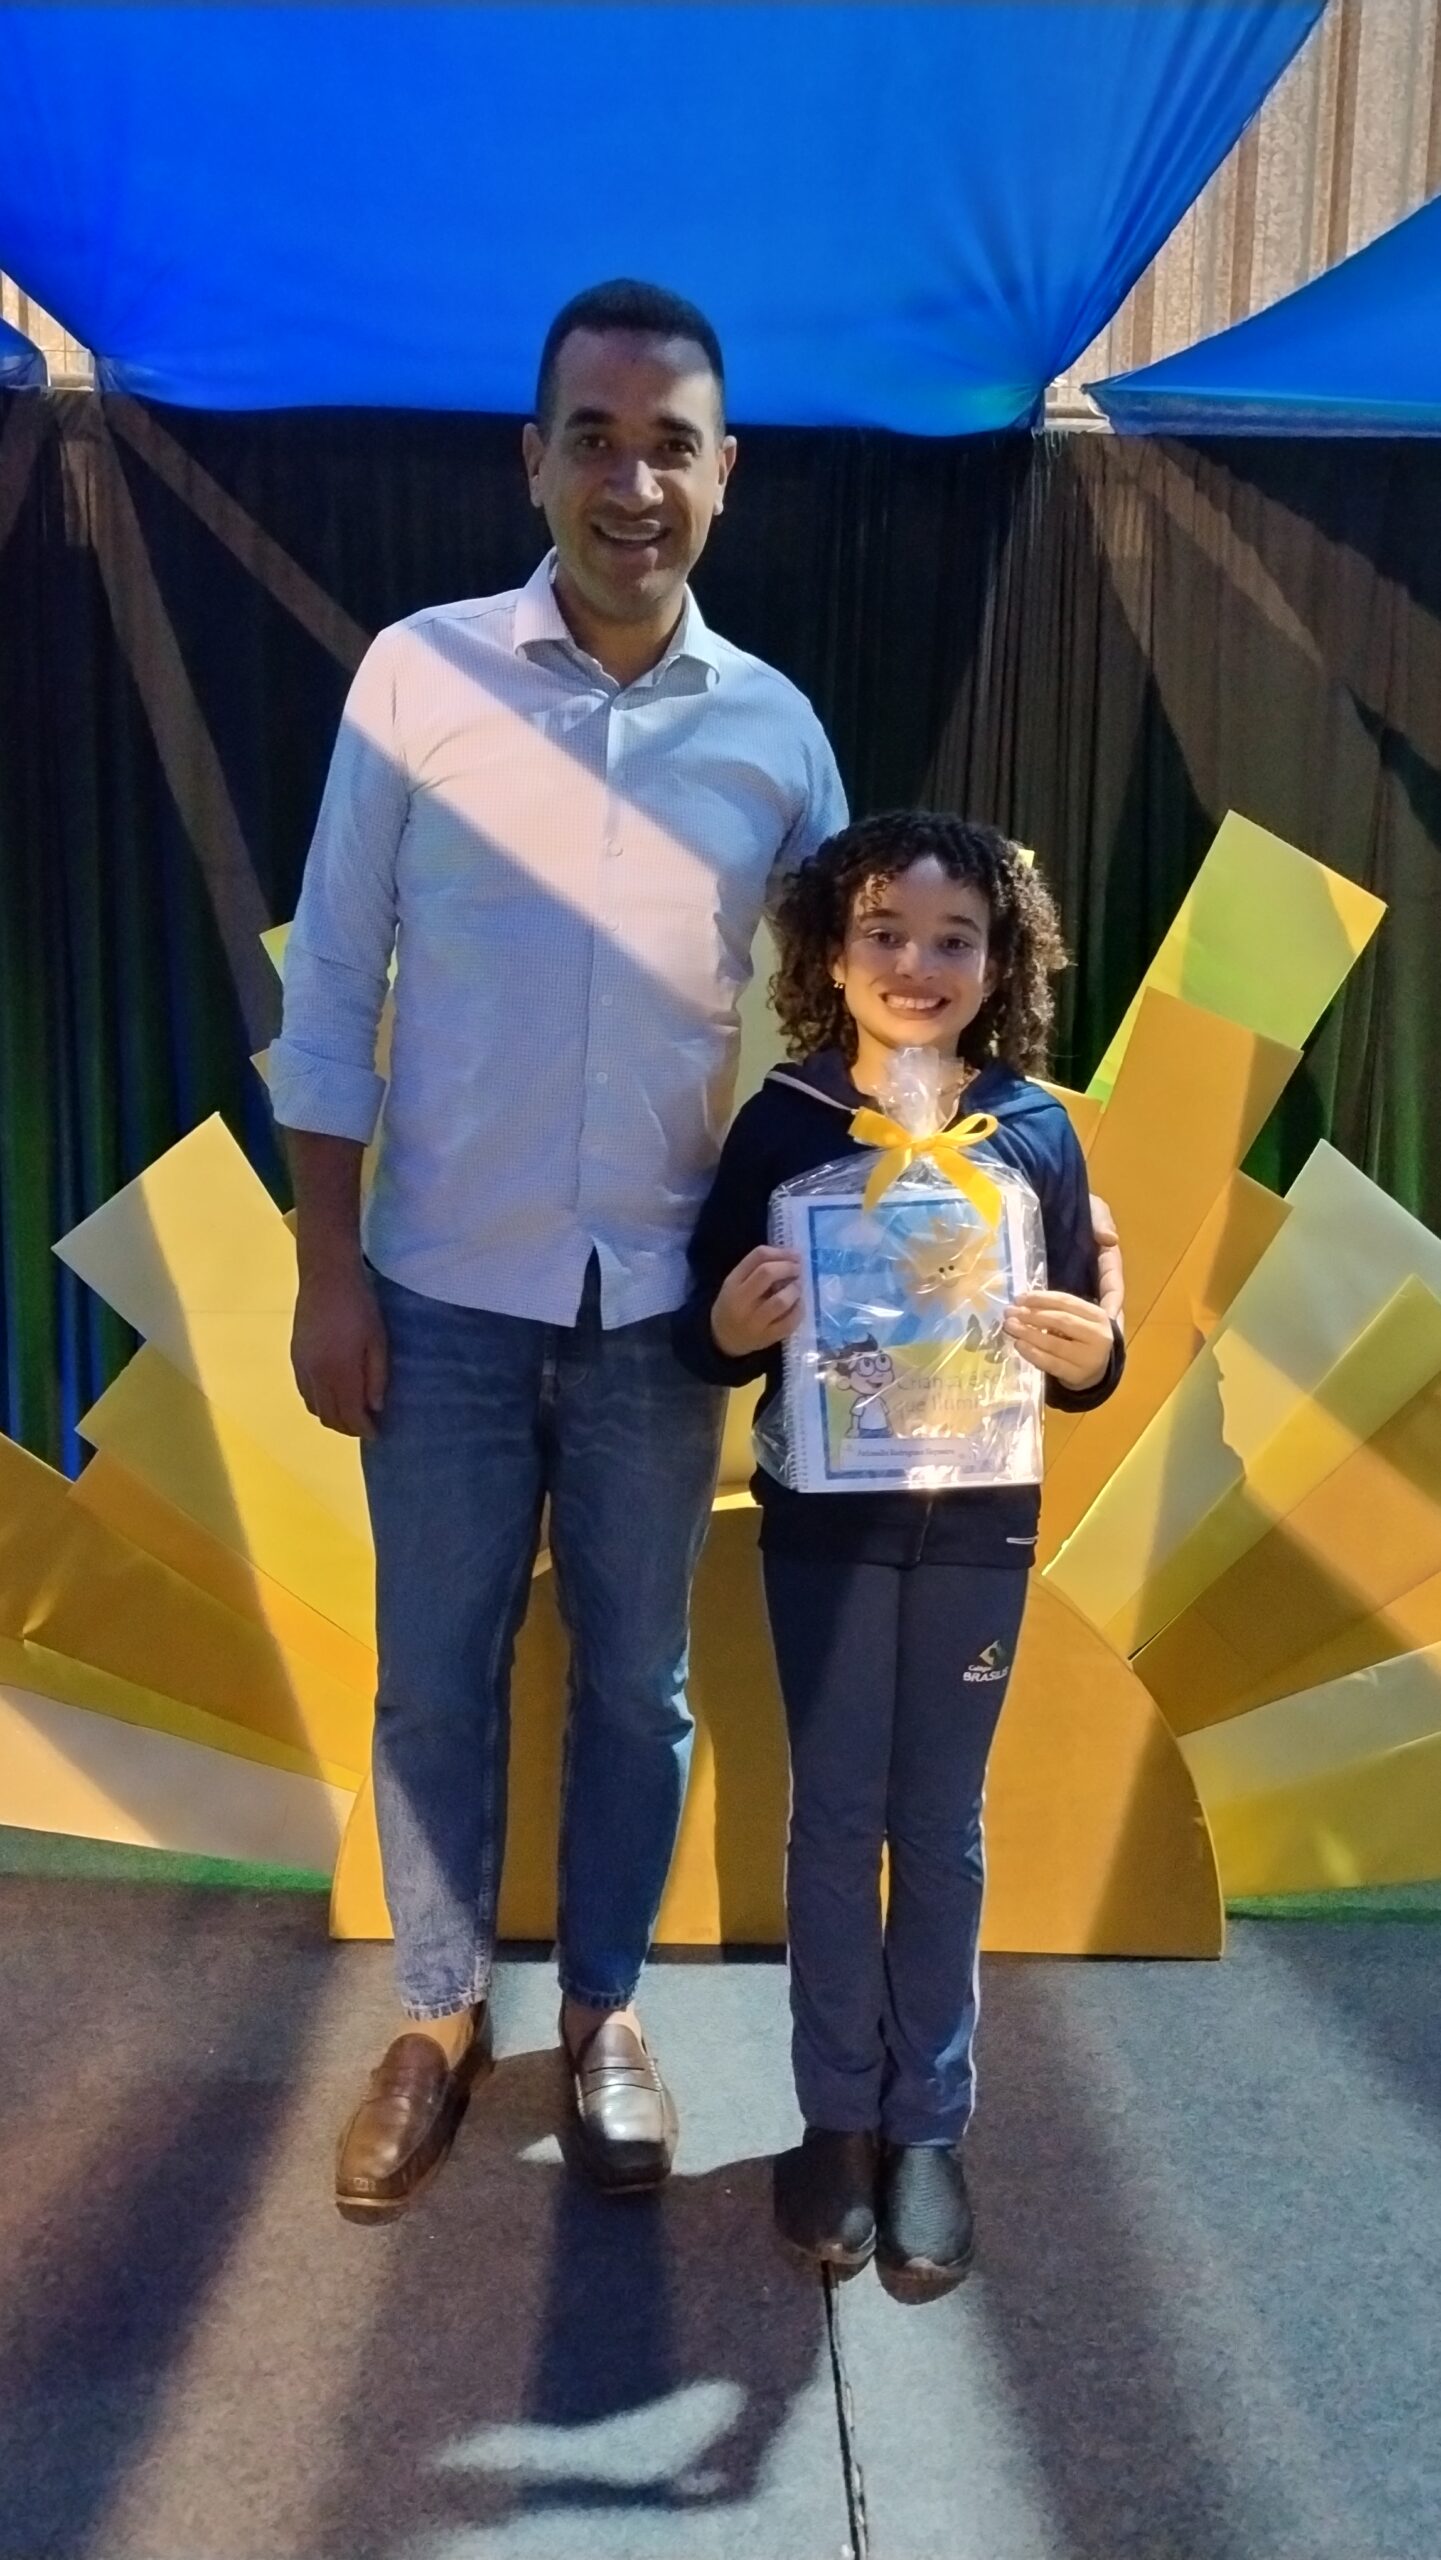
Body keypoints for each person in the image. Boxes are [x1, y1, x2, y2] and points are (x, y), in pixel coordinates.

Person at [268, 278, 849, 2218]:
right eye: (592, 439)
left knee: (636, 1686)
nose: (630, 481)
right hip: (433, 1292)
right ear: (532, 460)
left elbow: (846, 1027)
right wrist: (325, 1270)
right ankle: (437, 2019)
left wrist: (979, 1186)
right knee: (435, 1676)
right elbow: (331, 984)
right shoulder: (416, 679)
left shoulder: (776, 736)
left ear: (725, 473)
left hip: (658, 1317)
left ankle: (602, 2012)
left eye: (669, 443)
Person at [672, 812, 1125, 2299]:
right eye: (884, 932)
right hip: (825, 1524)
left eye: (952, 938)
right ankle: (834, 2119)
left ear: (1001, 962)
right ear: (829, 950)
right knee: (831, 1822)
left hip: (982, 1524)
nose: (916, 963)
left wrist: (1094, 1356)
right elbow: (705, 1330)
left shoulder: (1034, 1130)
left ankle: (928, 2125)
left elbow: (1082, 1333)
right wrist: (725, 1328)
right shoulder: (785, 1124)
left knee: (938, 1826)